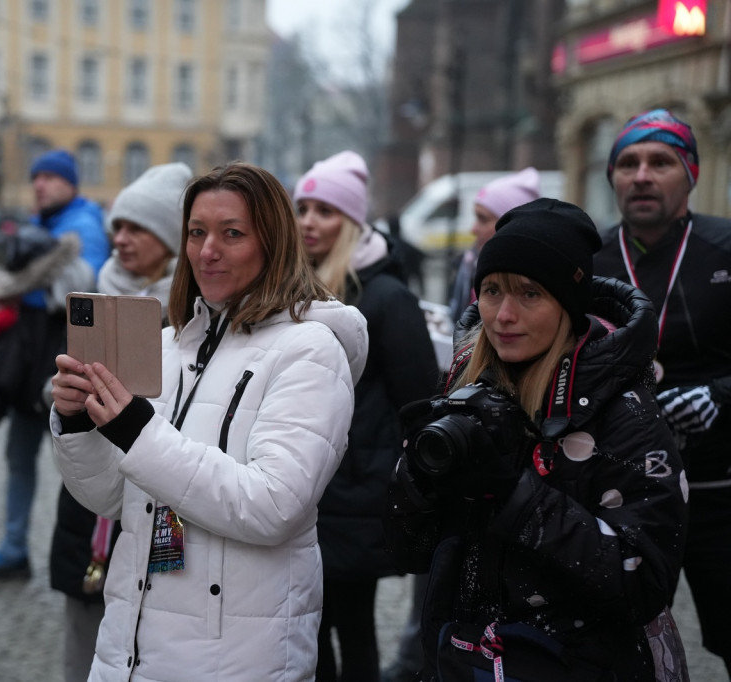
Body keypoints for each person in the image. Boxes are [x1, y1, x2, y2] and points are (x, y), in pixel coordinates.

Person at [48, 162, 368, 680]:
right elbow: (113, 498)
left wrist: (136, 432)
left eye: (231, 234)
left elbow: (274, 505)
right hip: (130, 652)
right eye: (196, 233)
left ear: (273, 243)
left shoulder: (309, 351)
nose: (206, 250)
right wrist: (78, 423)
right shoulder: (169, 344)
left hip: (237, 657)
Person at [385, 198, 690, 681]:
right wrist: (417, 481)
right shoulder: (466, 385)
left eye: (529, 294)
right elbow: (409, 553)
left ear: (567, 304)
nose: (503, 315)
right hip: (463, 660)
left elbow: (644, 582)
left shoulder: (625, 411)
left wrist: (515, 498)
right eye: (491, 291)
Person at [293, 151, 440, 682]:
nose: (309, 221)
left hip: (355, 495)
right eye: (303, 208)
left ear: (353, 222)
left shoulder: (386, 296)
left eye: (325, 211)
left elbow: (421, 402)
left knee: (348, 626)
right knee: (308, 627)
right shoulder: (296, 289)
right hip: (305, 487)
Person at [594, 108, 731, 676]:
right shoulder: (589, 260)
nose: (642, 175)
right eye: (628, 163)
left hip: (720, 489)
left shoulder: (723, 248)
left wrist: (721, 395)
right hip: (622, 493)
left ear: (690, 174)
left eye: (660, 161)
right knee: (617, 644)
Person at [49, 161, 192, 682]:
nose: (121, 238)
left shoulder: (191, 309)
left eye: (139, 228)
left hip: (163, 496)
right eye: (119, 226)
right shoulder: (93, 290)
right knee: (85, 635)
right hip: (89, 505)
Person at [0, 148, 108, 581]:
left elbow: (80, 290)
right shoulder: (43, 223)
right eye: (35, 177)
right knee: (18, 456)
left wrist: (20, 288)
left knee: (76, 464)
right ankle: (13, 548)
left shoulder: (84, 225)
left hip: (61, 363)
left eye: (49, 177)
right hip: (27, 360)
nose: (40, 184)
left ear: (71, 182)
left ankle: (87, 558)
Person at [447, 168, 540, 323]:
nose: (473, 229)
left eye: (483, 219)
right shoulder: (470, 265)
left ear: (511, 225)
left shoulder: (536, 282)